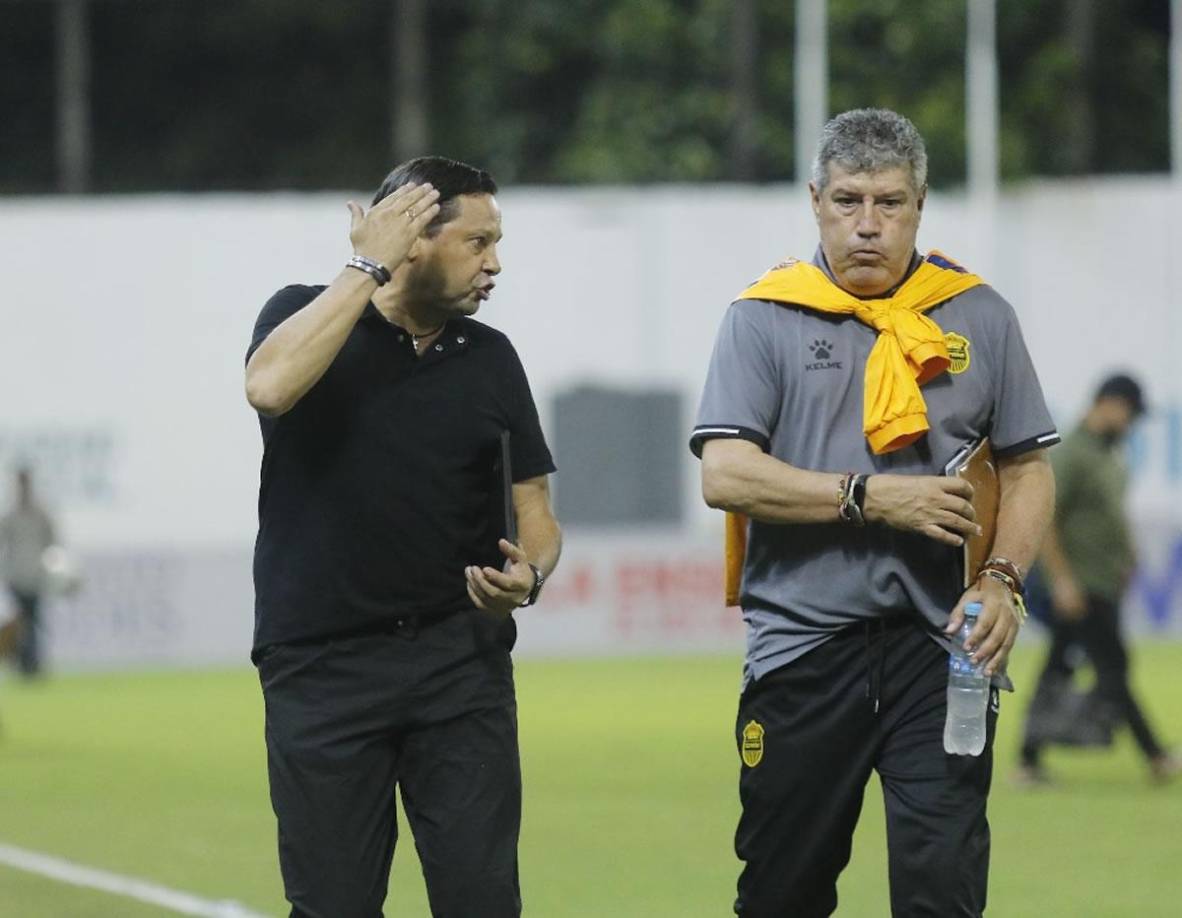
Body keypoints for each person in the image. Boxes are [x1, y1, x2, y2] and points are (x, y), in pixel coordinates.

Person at [690, 108, 1058, 917]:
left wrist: (1003, 577)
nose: (867, 225)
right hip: (803, 648)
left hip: (942, 647)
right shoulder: (764, 316)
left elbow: (1028, 466)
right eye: (848, 201)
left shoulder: (977, 314)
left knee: (942, 887)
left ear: (920, 205)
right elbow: (725, 473)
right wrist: (869, 496)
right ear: (814, 200)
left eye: (889, 204)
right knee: (784, 891)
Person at [244, 156, 561, 918]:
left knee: (484, 902)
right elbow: (269, 385)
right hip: (322, 666)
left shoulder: (491, 358)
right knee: (334, 906)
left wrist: (533, 575)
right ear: (414, 240)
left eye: (497, 243)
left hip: (460, 666)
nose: (495, 263)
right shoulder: (304, 311)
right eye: (479, 242)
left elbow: (536, 514)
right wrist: (364, 267)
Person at [1016, 373, 1180, 785]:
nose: (1132, 424)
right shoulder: (1072, 453)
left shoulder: (1108, 453)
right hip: (1080, 585)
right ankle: (1156, 754)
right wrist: (1062, 580)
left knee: (1060, 668)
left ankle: (1027, 759)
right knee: (1112, 667)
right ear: (1110, 403)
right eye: (1130, 413)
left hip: (1101, 582)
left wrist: (1127, 556)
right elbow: (1048, 519)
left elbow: (1107, 516)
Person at [0, 466, 57, 678]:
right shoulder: (11, 513)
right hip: (16, 576)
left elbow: (52, 541)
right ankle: (24, 664)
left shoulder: (40, 513)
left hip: (37, 576)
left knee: (34, 621)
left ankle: (33, 664)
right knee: (20, 623)